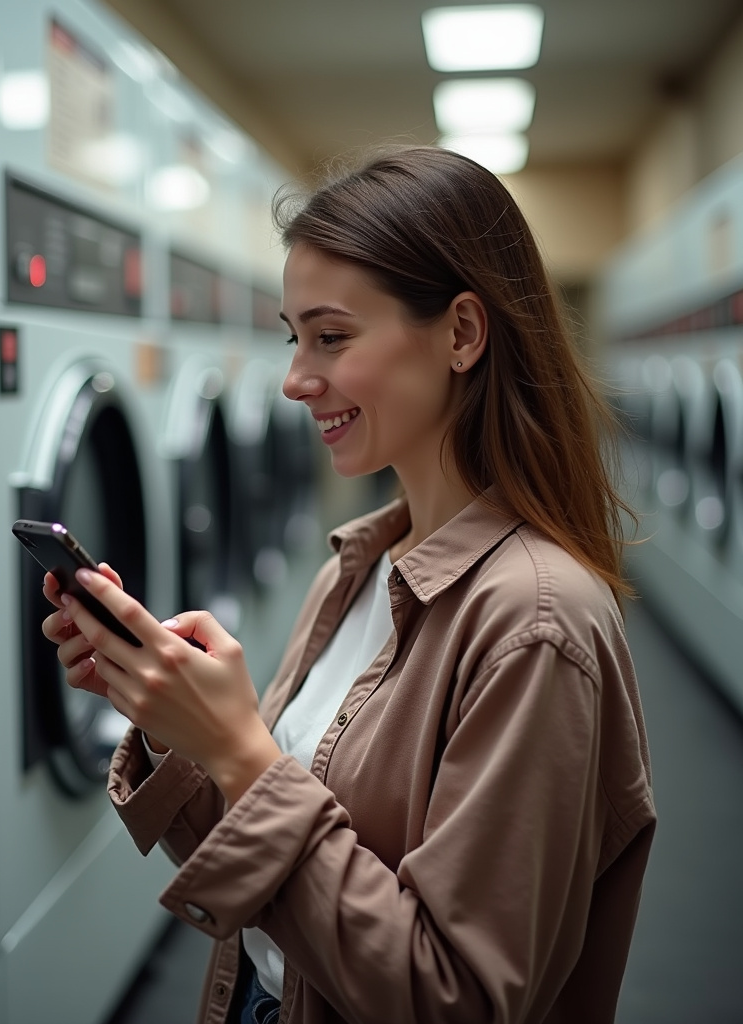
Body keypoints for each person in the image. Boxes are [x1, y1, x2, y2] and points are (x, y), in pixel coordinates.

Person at [41, 145, 656, 1024]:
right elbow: (271, 863)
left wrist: (241, 753)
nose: (295, 379)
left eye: (332, 337)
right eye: (296, 339)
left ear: (462, 333)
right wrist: (172, 714)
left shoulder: (534, 621)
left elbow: (457, 998)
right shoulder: (359, 567)